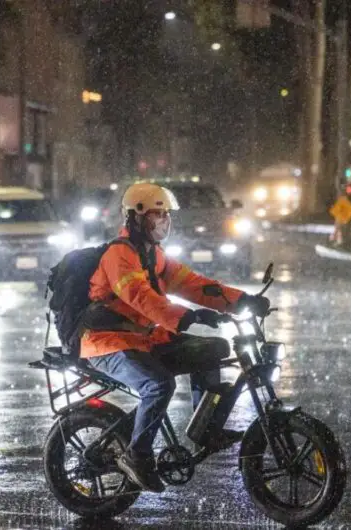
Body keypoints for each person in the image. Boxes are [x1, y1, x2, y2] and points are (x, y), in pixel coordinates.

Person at [81, 182, 270, 492]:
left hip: (143, 338)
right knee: (158, 385)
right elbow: (141, 298)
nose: (164, 220)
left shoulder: (153, 255)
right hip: (107, 341)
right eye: (157, 214)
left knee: (213, 348)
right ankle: (137, 455)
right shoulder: (119, 255)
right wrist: (187, 316)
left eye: (166, 214)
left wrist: (241, 300)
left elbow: (194, 284)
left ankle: (205, 429)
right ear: (135, 217)